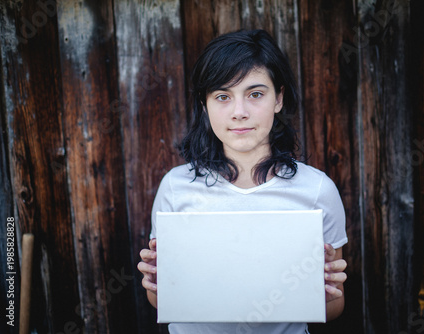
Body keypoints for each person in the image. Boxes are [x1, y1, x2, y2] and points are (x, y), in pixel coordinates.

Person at [137, 29, 347, 334]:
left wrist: (327, 292)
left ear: (279, 99)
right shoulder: (174, 187)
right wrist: (154, 284)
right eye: (223, 96)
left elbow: (332, 309)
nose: (239, 112)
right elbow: (163, 302)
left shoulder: (316, 190)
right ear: (204, 105)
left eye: (256, 94)